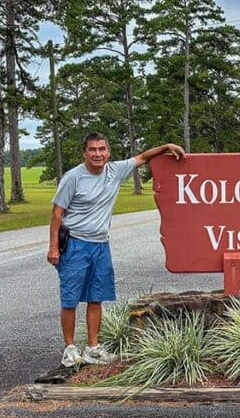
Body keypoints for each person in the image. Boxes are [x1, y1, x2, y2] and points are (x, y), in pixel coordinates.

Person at [47, 133, 185, 366]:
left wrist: (166, 146)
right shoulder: (73, 178)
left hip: (101, 245)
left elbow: (142, 157)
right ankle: (70, 349)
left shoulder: (115, 171)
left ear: (108, 152)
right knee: (70, 299)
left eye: (102, 149)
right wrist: (53, 247)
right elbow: (57, 213)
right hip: (75, 244)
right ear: (84, 153)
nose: (97, 154)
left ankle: (93, 348)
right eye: (92, 149)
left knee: (96, 297)